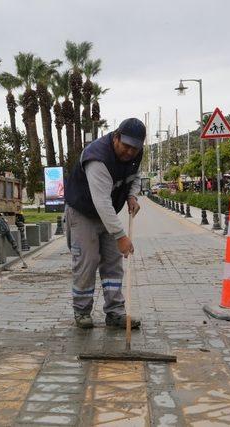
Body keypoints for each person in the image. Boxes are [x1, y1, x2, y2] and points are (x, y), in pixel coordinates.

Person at [64, 118, 144, 329]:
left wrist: (132, 196)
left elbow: (135, 177)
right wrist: (121, 236)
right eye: (126, 146)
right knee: (87, 262)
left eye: (134, 149)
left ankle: (115, 312)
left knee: (113, 264)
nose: (129, 153)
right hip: (83, 212)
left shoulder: (136, 154)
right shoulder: (97, 157)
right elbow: (101, 202)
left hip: (106, 212)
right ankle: (82, 311)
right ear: (116, 137)